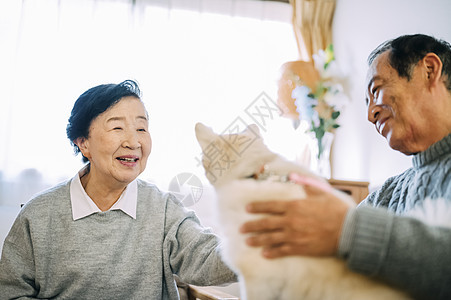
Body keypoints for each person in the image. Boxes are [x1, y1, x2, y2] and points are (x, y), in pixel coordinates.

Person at [240, 33, 451, 299]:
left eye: (376, 89)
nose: (370, 114)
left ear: (430, 70)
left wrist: (349, 229)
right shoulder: (389, 191)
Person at [0, 80, 236, 299]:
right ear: (83, 143)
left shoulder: (163, 209)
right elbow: (10, 292)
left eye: (141, 129)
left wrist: (263, 242)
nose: (133, 142)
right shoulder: (39, 214)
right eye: (117, 128)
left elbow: (207, 257)